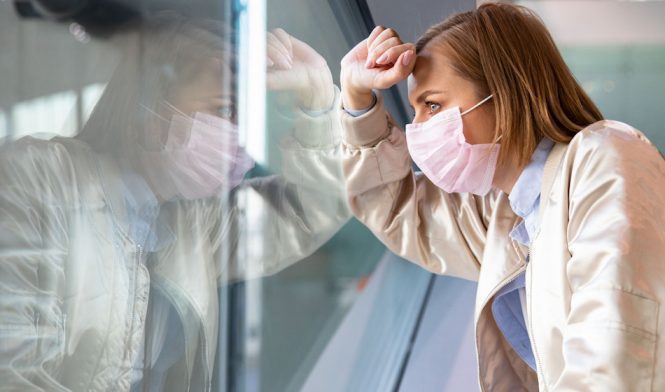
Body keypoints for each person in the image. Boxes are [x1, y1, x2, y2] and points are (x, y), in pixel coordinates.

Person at [0, 14, 349, 391]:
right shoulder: (39, 178)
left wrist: (319, 102)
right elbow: (12, 370)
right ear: (150, 103)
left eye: (240, 117)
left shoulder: (196, 221)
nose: (235, 140)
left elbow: (310, 209)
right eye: (222, 110)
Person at [339, 2, 665, 391]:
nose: (417, 129)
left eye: (432, 105)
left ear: (503, 94)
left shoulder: (607, 158)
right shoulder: (509, 217)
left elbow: (615, 357)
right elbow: (397, 209)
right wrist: (357, 99)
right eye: (415, 111)